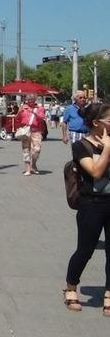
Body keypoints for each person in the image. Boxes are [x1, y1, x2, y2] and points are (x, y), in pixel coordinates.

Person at [62, 103, 110, 317]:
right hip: (91, 204)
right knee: (85, 250)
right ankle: (71, 287)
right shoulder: (81, 146)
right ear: (96, 123)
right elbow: (95, 172)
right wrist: (108, 148)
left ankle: (109, 292)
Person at [16, 93, 46, 175]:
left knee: (37, 149)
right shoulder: (23, 107)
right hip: (25, 131)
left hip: (36, 131)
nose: (30, 101)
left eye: (32, 99)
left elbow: (42, 118)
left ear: (35, 100)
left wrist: (34, 112)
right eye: (28, 99)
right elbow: (17, 118)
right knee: (26, 150)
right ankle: (28, 169)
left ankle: (34, 164)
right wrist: (19, 112)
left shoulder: (40, 108)